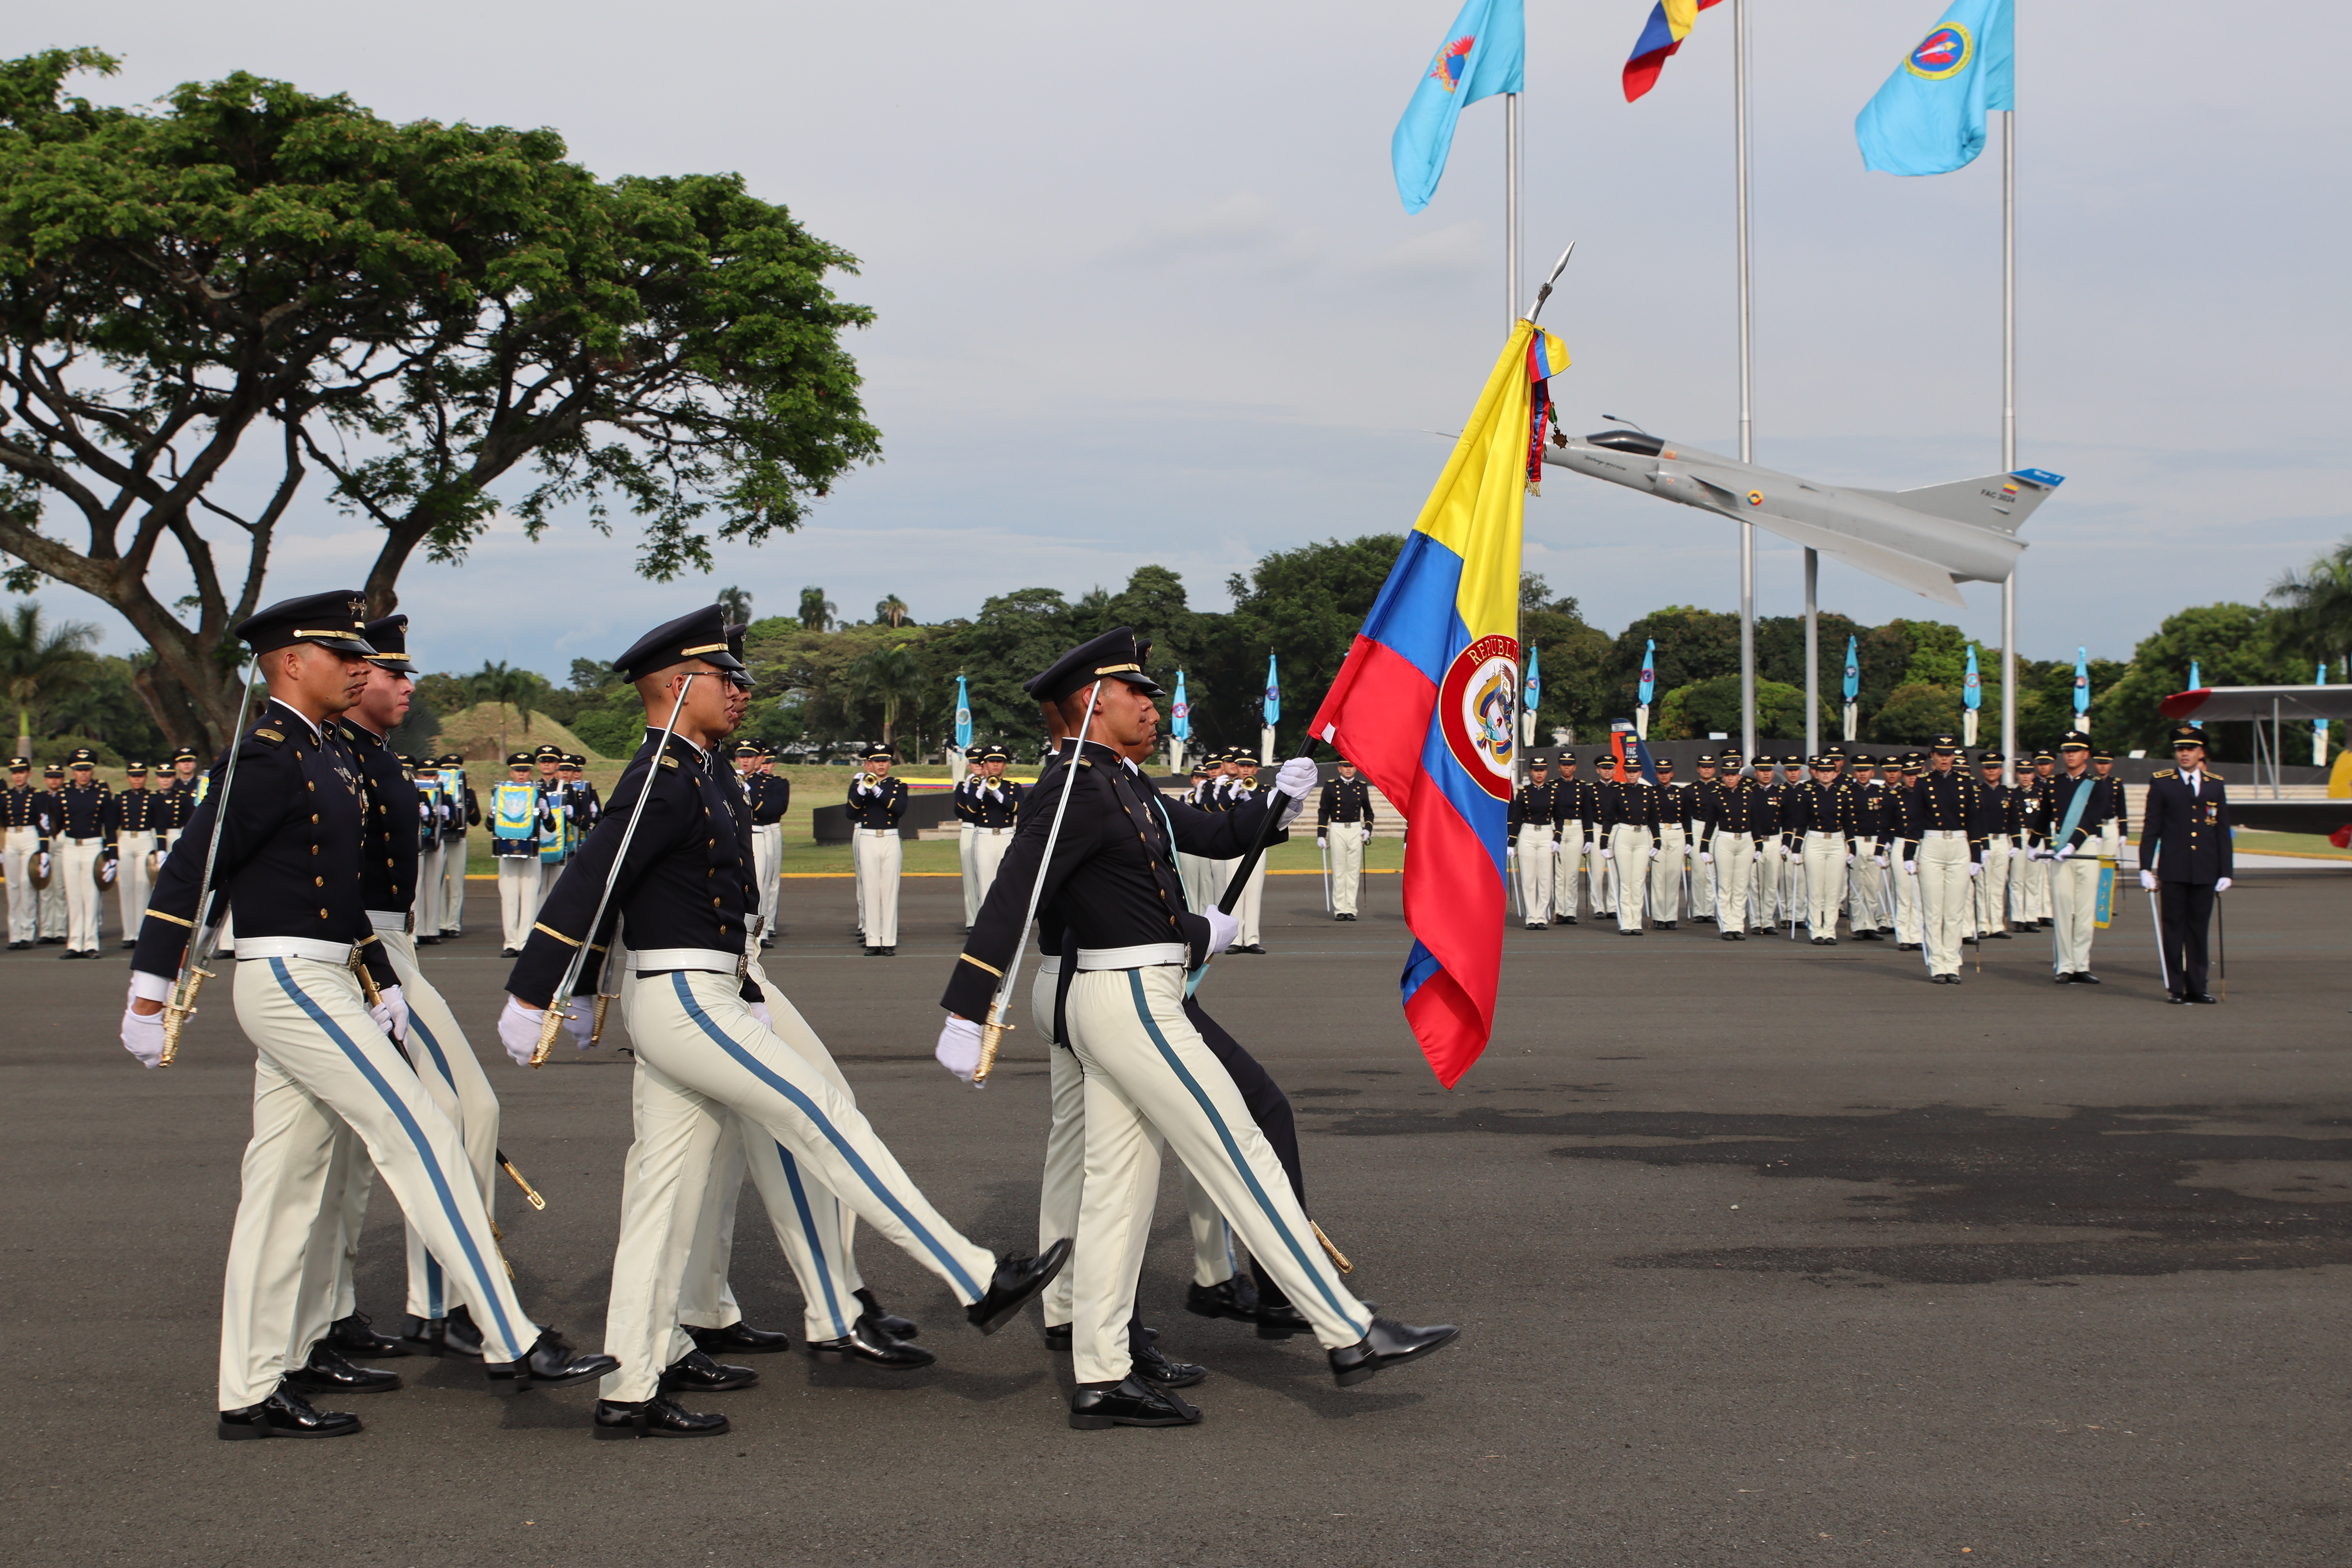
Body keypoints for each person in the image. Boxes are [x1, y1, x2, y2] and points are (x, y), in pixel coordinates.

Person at [499, 604, 1067, 1440]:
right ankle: (974, 1273)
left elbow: (620, 887)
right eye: (727, 678)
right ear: (679, 682)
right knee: (823, 1116)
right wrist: (538, 988)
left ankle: (632, 1381)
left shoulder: (696, 766)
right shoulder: (662, 772)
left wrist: (577, 985)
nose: (741, 692)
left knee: (663, 1195)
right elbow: (592, 879)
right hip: (688, 996)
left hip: (702, 990)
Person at [119, 592, 613, 1441]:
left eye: (362, 654)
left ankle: (253, 1385)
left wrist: (380, 979)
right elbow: (192, 870)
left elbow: (341, 892)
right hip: (287, 979)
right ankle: (511, 1334)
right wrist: (150, 989)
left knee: (284, 1189)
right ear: (288, 663)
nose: (360, 666)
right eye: (340, 654)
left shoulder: (325, 758)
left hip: (330, 974)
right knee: (419, 1131)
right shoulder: (269, 755)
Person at [935, 627, 1455, 1429]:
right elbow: (1016, 891)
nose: (1152, 704)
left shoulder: (1121, 781)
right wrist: (970, 1003)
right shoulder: (1076, 783)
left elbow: (1201, 838)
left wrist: (1275, 802)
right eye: (1136, 693)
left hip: (1133, 985)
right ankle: (1349, 1328)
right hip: (1127, 997)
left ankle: (1102, 1371)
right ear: (1091, 702)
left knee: (1117, 1189)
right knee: (1239, 1148)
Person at [321, 617, 512, 1361]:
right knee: (460, 1116)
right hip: (365, 948)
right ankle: (446, 1302)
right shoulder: (335, 758)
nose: (406, 686)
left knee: (357, 1147)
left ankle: (362, 1308)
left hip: (386, 941)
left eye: (407, 675)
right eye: (392, 674)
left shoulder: (371, 757)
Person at [2139, 723, 2231, 1004]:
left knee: (2198, 931)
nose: (2184, 754)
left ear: (2201, 752)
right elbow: (2151, 827)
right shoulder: (2162, 783)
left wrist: (2226, 871)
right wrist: (2145, 867)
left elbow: (2221, 830)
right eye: (2180, 749)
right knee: (2174, 930)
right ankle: (2176, 987)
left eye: (2190, 749)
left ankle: (2198, 987)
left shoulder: (2215, 784)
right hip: (2175, 868)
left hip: (2205, 869)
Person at [2041, 731, 2125, 985]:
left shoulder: (2097, 785)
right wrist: (2037, 845)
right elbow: (2045, 817)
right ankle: (2064, 965)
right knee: (2063, 906)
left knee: (2086, 909)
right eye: (2067, 751)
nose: (2070, 755)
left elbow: (2091, 818)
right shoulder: (2054, 784)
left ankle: (2081, 964)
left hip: (2086, 847)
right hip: (2060, 850)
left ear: (2086, 755)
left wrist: (2072, 845)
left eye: (2076, 751)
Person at [1904, 735, 1986, 984]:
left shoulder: (1967, 783)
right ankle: (1937, 964)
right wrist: (1909, 853)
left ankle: (1953, 963)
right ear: (1932, 756)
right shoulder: (1923, 783)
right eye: (1940, 754)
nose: (1945, 759)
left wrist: (1977, 854)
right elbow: (1915, 819)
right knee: (1933, 909)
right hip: (1932, 844)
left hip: (1959, 844)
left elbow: (1974, 819)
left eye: (1949, 754)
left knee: (1954, 910)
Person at [1782, 754, 1856, 944]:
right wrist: (1797, 849)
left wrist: (1852, 847)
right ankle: (1816, 929)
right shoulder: (1808, 793)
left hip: (1837, 841)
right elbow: (1801, 823)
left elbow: (1848, 822)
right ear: (1816, 773)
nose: (1826, 775)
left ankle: (1830, 930)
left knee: (1833, 890)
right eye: (1822, 771)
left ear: (1835, 773)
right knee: (1815, 889)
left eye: (1829, 771)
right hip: (1815, 841)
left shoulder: (1843, 793)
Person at [51, 747, 116, 958]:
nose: (83, 774)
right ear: (73, 772)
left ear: (92, 771)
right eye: (79, 770)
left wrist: (112, 855)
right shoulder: (63, 794)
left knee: (91, 896)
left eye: (87, 769)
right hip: (71, 846)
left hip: (93, 846)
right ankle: (74, 943)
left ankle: (91, 943)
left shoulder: (102, 794)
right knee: (73, 896)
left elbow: (110, 825)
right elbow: (57, 824)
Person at [845, 742, 907, 955]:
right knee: (870, 889)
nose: (881, 765)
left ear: (890, 763)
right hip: (868, 838)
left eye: (885, 761)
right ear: (868, 764)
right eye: (876, 762)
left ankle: (888, 940)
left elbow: (900, 809)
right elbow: (850, 812)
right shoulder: (859, 785)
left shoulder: (898, 786)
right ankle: (873, 940)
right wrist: (863, 790)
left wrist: (878, 792)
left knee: (889, 890)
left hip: (890, 838)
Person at [489, 752, 551, 956]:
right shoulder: (500, 792)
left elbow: (551, 826)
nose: (522, 775)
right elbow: (490, 825)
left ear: (531, 772)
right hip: (507, 849)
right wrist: (492, 813)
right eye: (518, 771)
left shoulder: (538, 792)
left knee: (530, 896)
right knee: (509, 897)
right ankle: (511, 942)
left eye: (525, 771)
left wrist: (546, 812)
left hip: (532, 849)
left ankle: (525, 942)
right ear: (511, 772)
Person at [1317, 757, 1375, 921]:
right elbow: (1324, 811)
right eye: (1345, 766)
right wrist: (1322, 834)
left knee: (1353, 871)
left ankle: (1351, 908)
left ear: (1355, 769)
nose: (1348, 769)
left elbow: (1369, 812)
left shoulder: (1361, 787)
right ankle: (1340, 909)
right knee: (1339, 869)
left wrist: (1368, 829)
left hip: (1356, 829)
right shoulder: (1330, 786)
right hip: (1337, 829)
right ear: (1339, 769)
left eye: (1351, 766)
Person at [114, 761, 165, 944]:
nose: (137, 780)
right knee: (126, 887)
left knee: (143, 886)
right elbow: (113, 825)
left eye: (140, 776)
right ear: (128, 778)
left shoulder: (153, 799)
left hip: (145, 840)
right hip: (126, 840)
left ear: (145, 778)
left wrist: (161, 850)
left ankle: (143, 932)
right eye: (134, 776)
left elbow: (160, 826)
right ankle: (129, 934)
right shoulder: (120, 798)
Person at [2, 755, 49, 950]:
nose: (18, 777)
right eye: (15, 773)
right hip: (11, 837)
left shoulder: (37, 796)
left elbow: (44, 825)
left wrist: (44, 851)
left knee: (26, 885)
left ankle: (27, 932)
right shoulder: (5, 797)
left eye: (21, 773)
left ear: (28, 774)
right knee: (12, 888)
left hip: (30, 837)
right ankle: (15, 934)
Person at [969, 743, 1023, 912]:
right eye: (991, 761)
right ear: (984, 765)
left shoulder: (1013, 787)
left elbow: (1020, 809)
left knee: (1008, 884)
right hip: (984, 837)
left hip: (1006, 836)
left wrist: (1000, 795)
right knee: (985, 886)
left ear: (1005, 765)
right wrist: (981, 791)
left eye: (999, 762)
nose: (995, 765)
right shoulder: (976, 786)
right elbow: (969, 814)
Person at [1972, 751, 2017, 940]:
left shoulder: (2008, 793)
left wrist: (2017, 843)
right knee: (1983, 885)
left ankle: (1998, 924)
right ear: (1983, 770)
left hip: (2002, 841)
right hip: (1984, 840)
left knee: (1999, 885)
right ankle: (1983, 924)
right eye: (1988, 768)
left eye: (1995, 768)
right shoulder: (1977, 791)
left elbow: (2015, 820)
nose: (1991, 771)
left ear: (2001, 770)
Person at [1508, 758, 1557, 930]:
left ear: (1547, 772)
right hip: (1528, 833)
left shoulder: (1553, 791)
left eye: (1542, 770)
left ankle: (1542, 916)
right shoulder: (1524, 792)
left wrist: (1557, 839)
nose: (1539, 773)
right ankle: (1531, 916)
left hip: (1546, 833)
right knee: (1528, 879)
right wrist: (1511, 842)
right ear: (1531, 772)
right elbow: (1517, 818)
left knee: (1545, 878)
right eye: (1536, 770)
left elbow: (1558, 817)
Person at [1550, 751, 1597, 926]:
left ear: (1575, 767)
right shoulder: (1553, 786)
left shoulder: (1583, 787)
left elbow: (1588, 813)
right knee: (1560, 874)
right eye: (1564, 764)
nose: (1567, 767)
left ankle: (1571, 911)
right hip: (1559, 829)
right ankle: (1560, 911)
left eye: (1570, 765)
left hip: (1577, 828)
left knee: (1572, 874)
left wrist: (1589, 837)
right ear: (1559, 767)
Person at [436, 753, 477, 937]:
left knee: (457, 883)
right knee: (438, 883)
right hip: (438, 839)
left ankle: (453, 924)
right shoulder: (436, 792)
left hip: (458, 839)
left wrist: (467, 800)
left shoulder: (467, 792)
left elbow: (476, 820)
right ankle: (440, 922)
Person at [1686, 752, 1722, 925]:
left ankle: (1710, 910)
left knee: (1713, 874)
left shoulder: (1721, 788)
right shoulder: (1690, 790)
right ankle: (1699, 911)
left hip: (1717, 828)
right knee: (1699, 872)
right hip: (1698, 827)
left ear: (1714, 770)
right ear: (1698, 769)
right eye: (1703, 767)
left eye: (1709, 768)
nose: (1706, 770)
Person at [954, 744, 986, 930]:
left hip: (986, 830)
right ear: (969, 766)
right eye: (974, 763)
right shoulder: (963, 786)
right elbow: (960, 811)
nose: (978, 766)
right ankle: (972, 920)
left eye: (981, 763)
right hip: (969, 828)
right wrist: (968, 792)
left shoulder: (994, 784)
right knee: (970, 876)